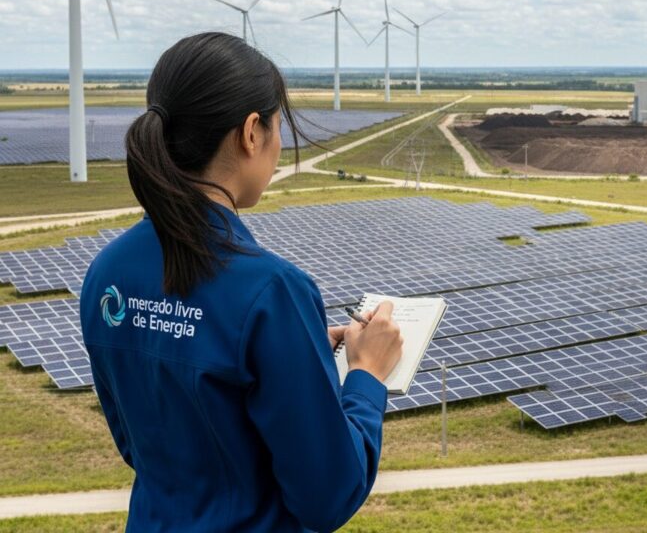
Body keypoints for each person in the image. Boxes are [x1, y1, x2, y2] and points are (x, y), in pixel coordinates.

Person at [79, 31, 404, 532]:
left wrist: (296, 353)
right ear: (251, 132)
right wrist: (366, 375)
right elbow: (328, 495)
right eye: (278, 127)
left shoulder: (107, 273)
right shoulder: (271, 292)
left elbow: (140, 443)